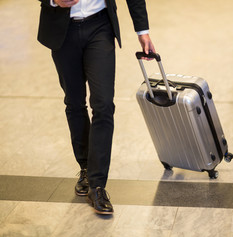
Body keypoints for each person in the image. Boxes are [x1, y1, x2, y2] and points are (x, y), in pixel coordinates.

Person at [37, 0, 155, 215]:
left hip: (100, 27)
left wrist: (142, 30)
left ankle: (97, 184)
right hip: (62, 30)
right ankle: (85, 167)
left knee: (103, 105)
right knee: (74, 103)